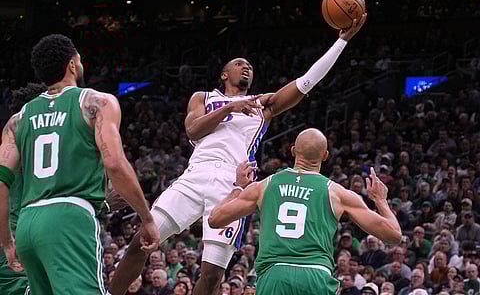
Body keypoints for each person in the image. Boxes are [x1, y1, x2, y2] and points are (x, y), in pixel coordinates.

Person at [109, 15, 367, 295]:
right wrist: (229, 108)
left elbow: (307, 82)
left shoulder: (261, 105)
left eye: (251, 67)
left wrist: (341, 41)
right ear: (224, 74)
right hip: (195, 176)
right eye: (239, 64)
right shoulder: (203, 97)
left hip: (231, 185)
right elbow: (193, 130)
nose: (246, 68)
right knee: (142, 240)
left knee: (211, 275)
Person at [0, 34, 160, 295]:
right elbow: (115, 163)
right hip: (70, 218)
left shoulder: (18, 119)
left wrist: (7, 241)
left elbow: (1, 183)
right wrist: (146, 216)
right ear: (73, 64)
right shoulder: (96, 102)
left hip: (28, 224)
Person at [208, 128, 401, 294]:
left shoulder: (264, 186)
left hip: (275, 274)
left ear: (292, 151)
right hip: (316, 275)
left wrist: (238, 188)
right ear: (325, 155)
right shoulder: (337, 192)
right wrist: (381, 201)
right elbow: (393, 235)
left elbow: (215, 219)